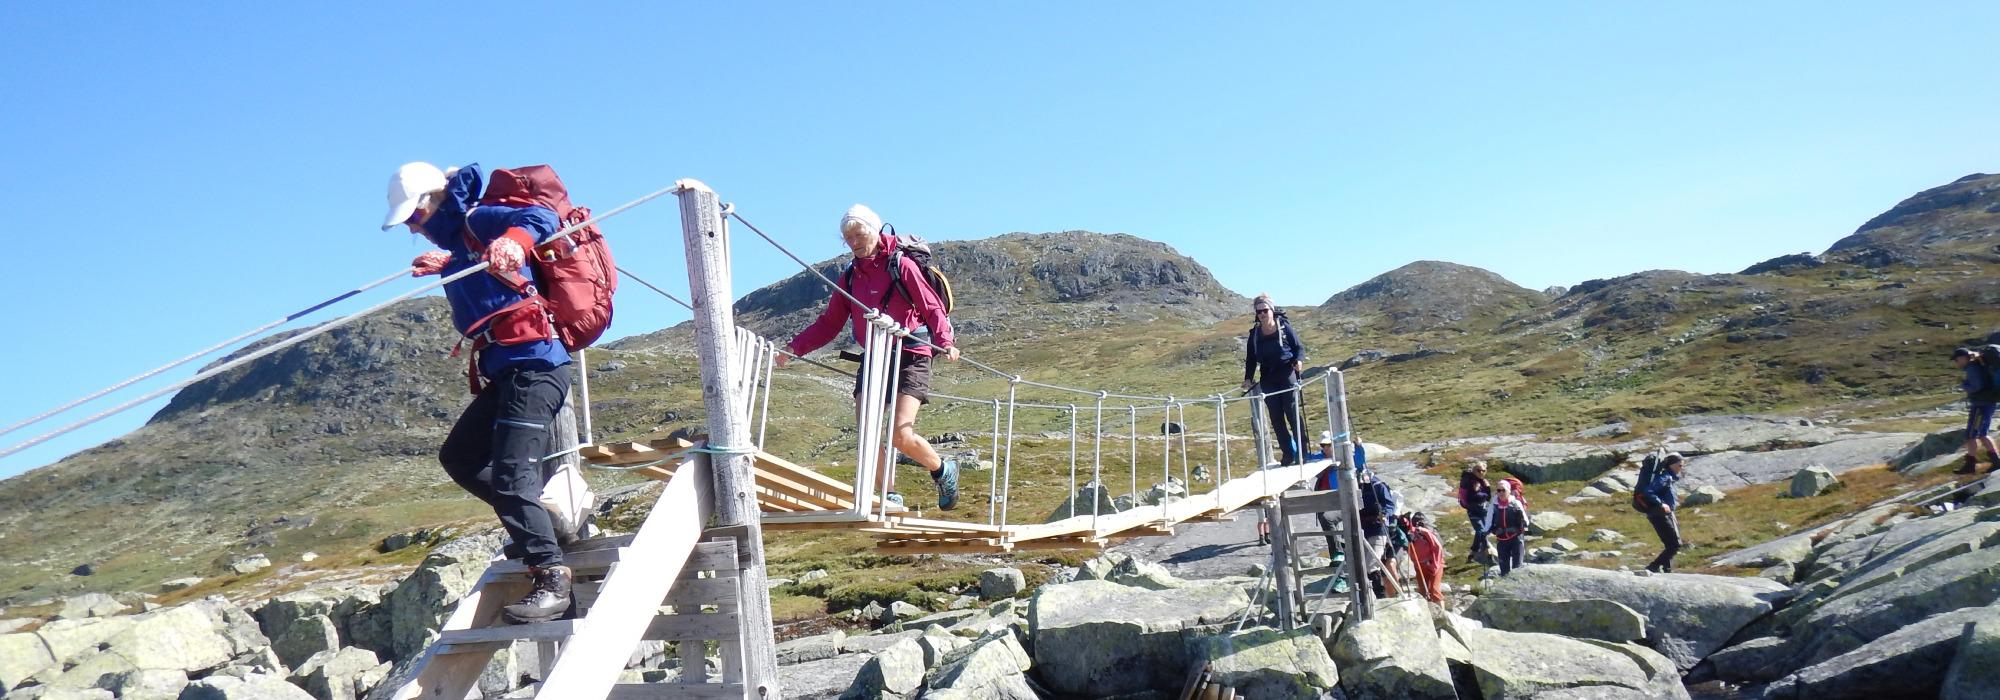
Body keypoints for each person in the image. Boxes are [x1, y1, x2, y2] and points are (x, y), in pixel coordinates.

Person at [384, 162, 575, 623]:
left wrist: (515, 241)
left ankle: (551, 574)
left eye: (414, 216)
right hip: (509, 372)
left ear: (433, 200)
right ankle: (543, 529)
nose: (414, 226)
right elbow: (485, 274)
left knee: (512, 478)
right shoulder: (459, 241)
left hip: (535, 367)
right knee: (461, 457)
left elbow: (541, 219)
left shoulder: (477, 218)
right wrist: (449, 264)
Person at [776, 205, 960, 510]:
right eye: (848, 239)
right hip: (875, 356)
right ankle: (889, 495)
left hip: (911, 353)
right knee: (868, 431)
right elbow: (829, 324)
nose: (854, 243)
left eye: (859, 235)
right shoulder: (849, 277)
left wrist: (945, 341)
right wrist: (794, 348)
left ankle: (943, 471)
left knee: (901, 434)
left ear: (874, 231)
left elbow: (930, 306)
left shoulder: (901, 265)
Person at [1240, 294, 1306, 466]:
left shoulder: (1283, 327)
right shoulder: (1254, 334)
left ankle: (1302, 452)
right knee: (1276, 417)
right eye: (1259, 311)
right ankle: (1288, 454)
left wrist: (1299, 361)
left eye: (1265, 310)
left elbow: (1298, 347)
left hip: (1286, 373)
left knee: (1292, 413)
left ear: (1272, 310)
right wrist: (1248, 378)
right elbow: (1251, 358)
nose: (1262, 314)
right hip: (1268, 377)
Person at [1356, 466, 1403, 597]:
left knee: (1371, 565)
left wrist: (1384, 514)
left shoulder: (1378, 486)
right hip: (1364, 530)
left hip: (1378, 530)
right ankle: (1372, 596)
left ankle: (1381, 596)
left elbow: (1389, 505)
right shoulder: (1357, 488)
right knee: (1364, 566)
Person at [1953, 348, 2000, 474]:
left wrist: (1963, 385)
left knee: (1972, 434)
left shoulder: (1972, 368)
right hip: (1987, 403)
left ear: (1963, 358)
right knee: (1980, 434)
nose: (1956, 363)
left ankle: (1971, 465)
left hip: (1981, 405)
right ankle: (1994, 461)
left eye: (1957, 360)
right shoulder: (1979, 365)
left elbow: (1976, 386)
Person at [1638, 452, 1686, 573]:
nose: (1682, 468)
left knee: (1671, 544)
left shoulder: (1669, 477)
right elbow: (1648, 491)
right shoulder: (1665, 477)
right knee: (1675, 545)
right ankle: (1653, 566)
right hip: (1660, 514)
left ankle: (1666, 568)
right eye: (1680, 465)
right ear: (1671, 465)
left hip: (1662, 514)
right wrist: (1661, 503)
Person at [1483, 479, 1530, 576]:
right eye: (1498, 490)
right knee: (1504, 569)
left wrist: (1523, 520)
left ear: (1509, 491)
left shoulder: (1516, 503)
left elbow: (1526, 521)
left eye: (1503, 490)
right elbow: (1488, 520)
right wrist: (1485, 532)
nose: (1500, 493)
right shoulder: (1494, 505)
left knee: (1517, 567)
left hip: (1516, 538)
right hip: (1501, 539)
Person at [1457, 461, 1495, 564]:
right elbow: (1473, 498)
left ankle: (1473, 553)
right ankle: (1486, 554)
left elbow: (1488, 496)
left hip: (1482, 510)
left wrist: (1486, 489)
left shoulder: (1482, 481)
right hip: (1473, 511)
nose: (1481, 472)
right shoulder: (1472, 481)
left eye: (1483, 470)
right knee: (1481, 531)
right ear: (1474, 471)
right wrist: (1484, 493)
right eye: (1478, 470)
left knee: (1483, 532)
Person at [1405, 511, 1447, 603]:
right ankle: (1428, 612)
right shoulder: (1410, 534)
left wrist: (1435, 565)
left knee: (1434, 590)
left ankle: (1442, 615)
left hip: (1434, 563)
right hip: (1420, 565)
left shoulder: (1425, 532)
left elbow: (1437, 548)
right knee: (1423, 592)